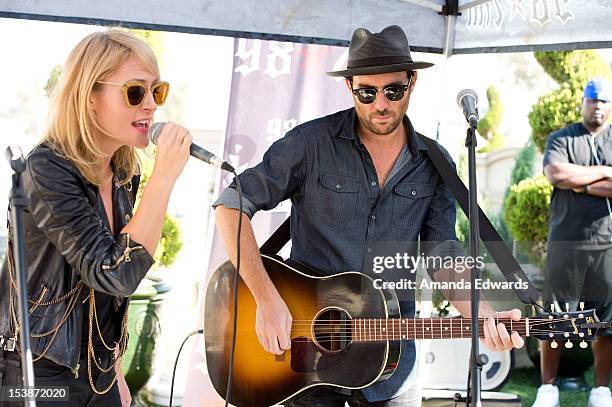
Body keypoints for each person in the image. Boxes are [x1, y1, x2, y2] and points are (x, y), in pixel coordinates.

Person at [214, 25, 524, 406]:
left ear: (412, 83)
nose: (381, 104)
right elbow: (230, 207)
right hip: (305, 357)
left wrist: (485, 316)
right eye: (367, 92)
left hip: (391, 360)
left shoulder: (435, 162)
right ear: (350, 87)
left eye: (393, 90)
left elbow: (443, 253)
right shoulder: (309, 144)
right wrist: (266, 300)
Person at [0, 30, 191, 406]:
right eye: (135, 91)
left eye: (158, 91)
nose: (151, 105)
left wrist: (113, 370)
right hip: (38, 372)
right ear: (90, 96)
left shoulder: (124, 170)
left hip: (98, 367)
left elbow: (110, 293)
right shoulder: (44, 170)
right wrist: (165, 177)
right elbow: (114, 271)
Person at [536, 77, 612, 407]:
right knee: (553, 315)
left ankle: (601, 390)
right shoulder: (562, 138)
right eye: (593, 100)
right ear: (583, 102)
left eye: (604, 101)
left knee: (606, 320)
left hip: (606, 242)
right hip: (564, 241)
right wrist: (604, 173)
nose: (598, 106)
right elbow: (556, 175)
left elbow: (570, 177)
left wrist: (578, 180)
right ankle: (548, 388)